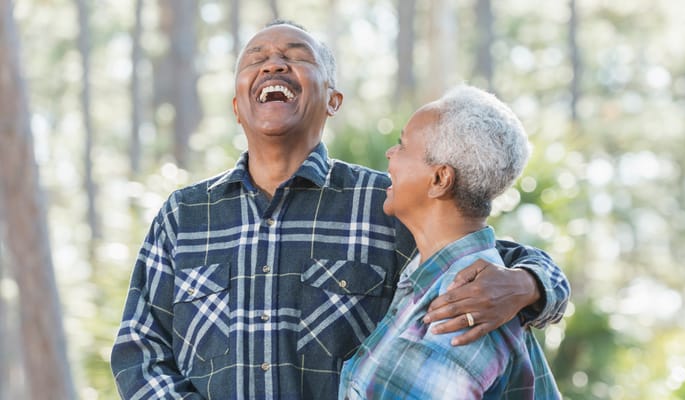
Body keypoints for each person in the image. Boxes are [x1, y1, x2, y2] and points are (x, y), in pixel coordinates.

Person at [110, 20, 569, 399]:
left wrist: (528, 285)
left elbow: (478, 258)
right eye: (256, 58)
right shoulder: (184, 215)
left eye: (296, 55)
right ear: (236, 105)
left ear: (333, 100)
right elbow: (138, 351)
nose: (274, 61)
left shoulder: (385, 204)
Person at [338, 85, 561, 399]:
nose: (390, 153)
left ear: (440, 179)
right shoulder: (433, 284)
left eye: (402, 145)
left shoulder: (456, 318)